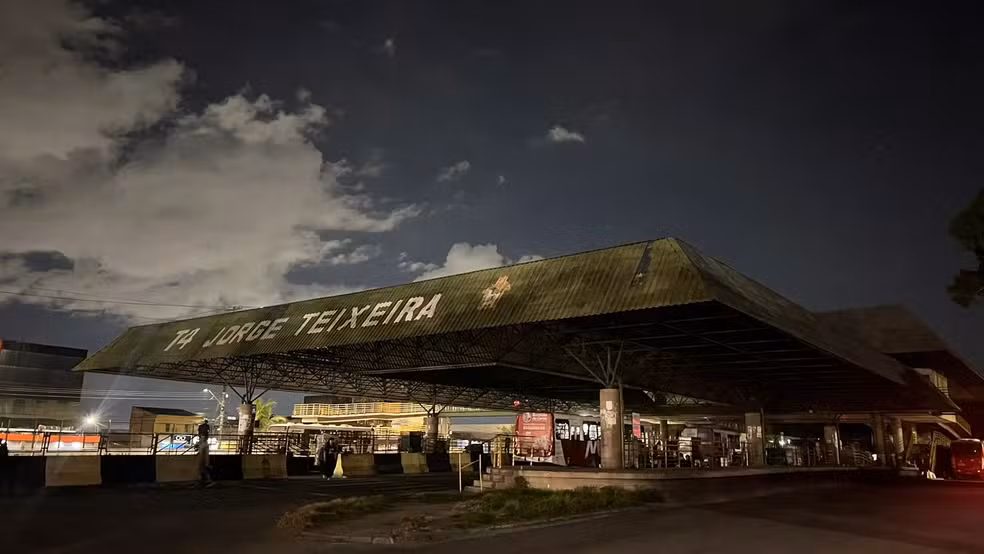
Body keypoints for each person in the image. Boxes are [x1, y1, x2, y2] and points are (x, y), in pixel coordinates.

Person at [197, 419, 212, 487]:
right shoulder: (207, 426)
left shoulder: (201, 426)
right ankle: (205, 478)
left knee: (202, 446)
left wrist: (200, 436)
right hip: (204, 437)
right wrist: (206, 437)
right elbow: (207, 432)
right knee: (204, 446)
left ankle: (202, 478)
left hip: (202, 437)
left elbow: (199, 431)